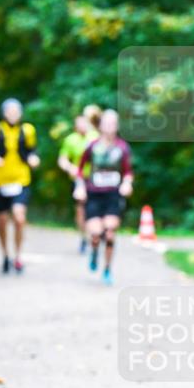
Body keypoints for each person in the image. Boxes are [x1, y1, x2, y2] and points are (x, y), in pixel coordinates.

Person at [73, 109, 133, 285]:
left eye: (113, 124)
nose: (109, 127)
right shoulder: (92, 147)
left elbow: (128, 172)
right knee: (95, 233)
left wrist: (127, 183)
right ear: (100, 126)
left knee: (110, 233)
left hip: (112, 196)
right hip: (93, 196)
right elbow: (79, 170)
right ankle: (93, 251)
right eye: (106, 123)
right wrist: (80, 187)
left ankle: (107, 269)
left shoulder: (122, 148)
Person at [0, 98, 39, 274]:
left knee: (19, 217)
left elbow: (32, 151)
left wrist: (34, 159)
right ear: (3, 113)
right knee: (2, 220)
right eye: (9, 111)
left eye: (16, 111)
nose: (13, 115)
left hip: (21, 181)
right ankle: (5, 254)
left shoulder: (28, 130)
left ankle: (18, 256)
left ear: (20, 113)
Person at [58, 113, 99, 253]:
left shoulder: (95, 137)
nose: (82, 126)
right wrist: (70, 168)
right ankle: (83, 237)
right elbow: (62, 160)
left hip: (96, 180)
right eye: (79, 123)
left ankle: (96, 234)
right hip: (79, 179)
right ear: (75, 126)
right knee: (80, 210)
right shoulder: (70, 140)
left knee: (95, 209)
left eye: (84, 122)